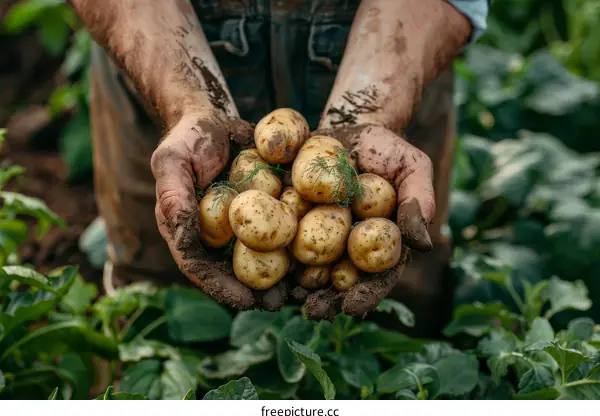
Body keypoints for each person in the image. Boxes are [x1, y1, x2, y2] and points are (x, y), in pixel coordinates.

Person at [68, 0, 489, 336]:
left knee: (399, 312)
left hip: (398, 56)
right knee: (157, 302)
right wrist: (189, 105)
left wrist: (372, 114)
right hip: (157, 54)